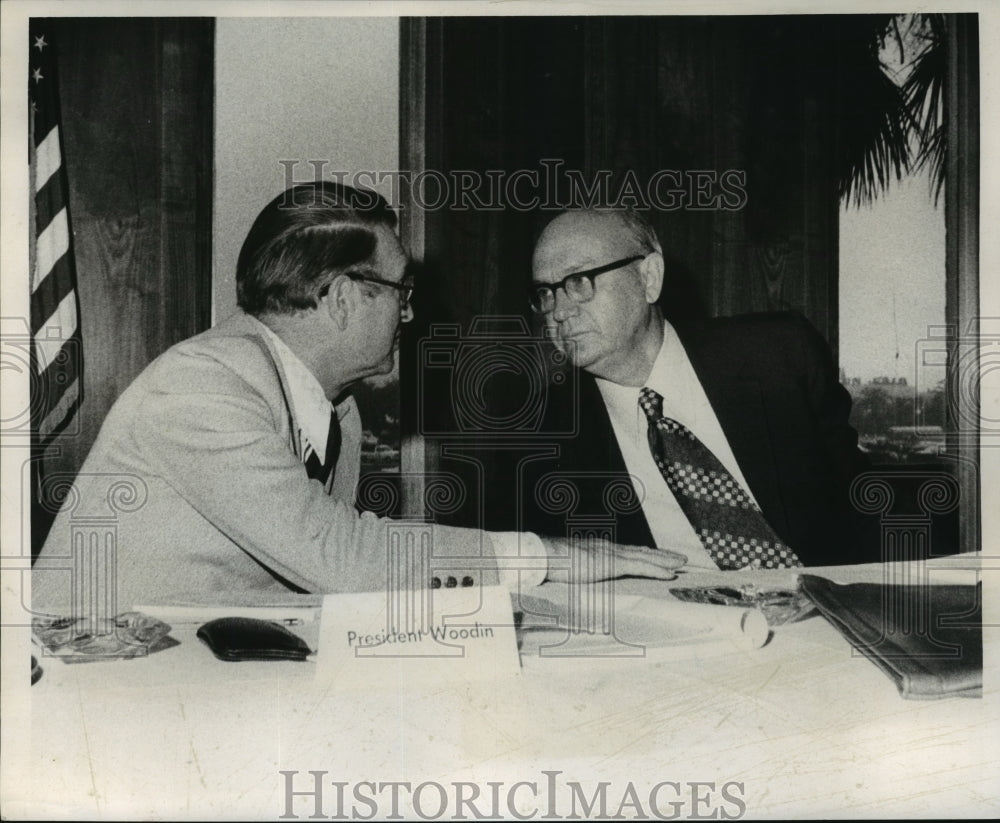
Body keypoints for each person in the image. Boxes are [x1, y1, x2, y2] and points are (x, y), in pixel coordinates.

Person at [31, 183, 686, 616]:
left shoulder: (333, 410)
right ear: (344, 296)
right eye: (401, 293)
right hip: (97, 688)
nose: (408, 315)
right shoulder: (203, 387)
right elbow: (343, 557)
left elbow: (346, 573)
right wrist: (547, 558)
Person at [522, 208, 880, 568]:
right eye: (545, 293)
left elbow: (864, 506)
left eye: (579, 280)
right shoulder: (540, 440)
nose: (559, 311)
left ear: (649, 278)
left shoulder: (780, 358)